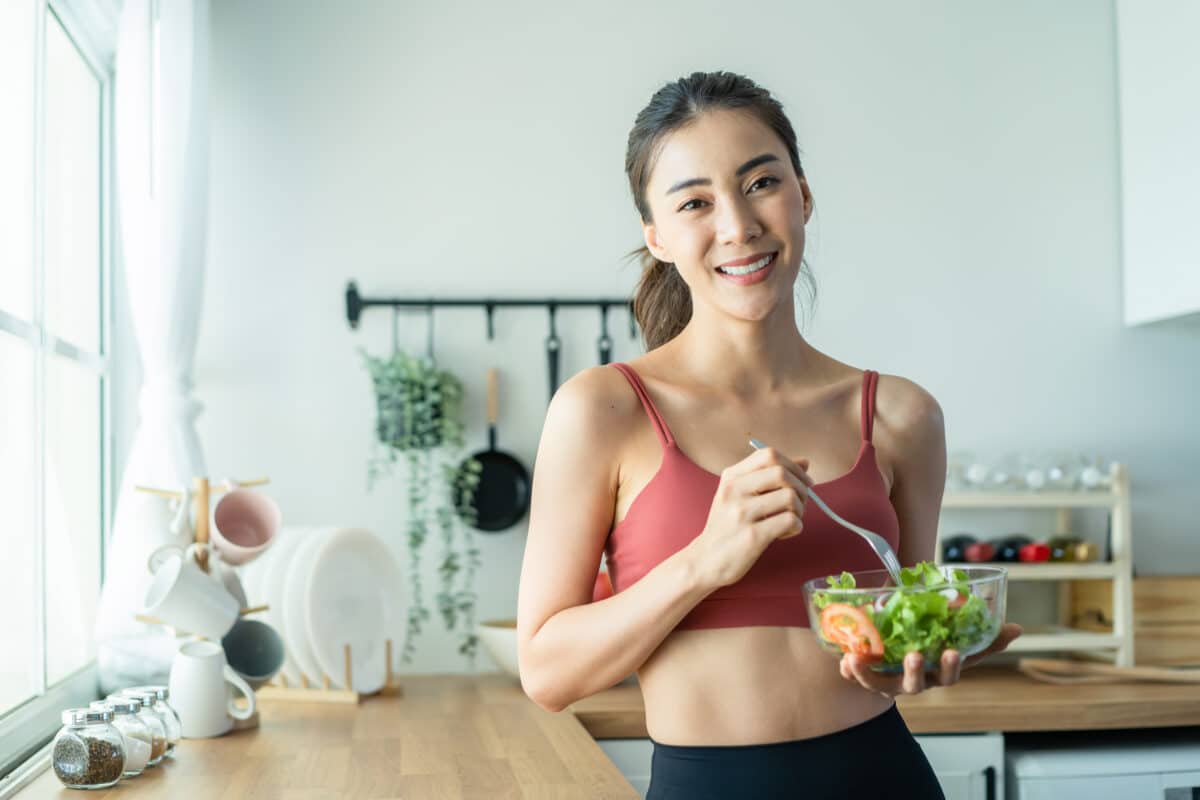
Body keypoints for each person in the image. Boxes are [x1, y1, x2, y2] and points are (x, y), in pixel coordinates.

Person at [516, 70, 1021, 799]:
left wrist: (918, 657)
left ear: (803, 196)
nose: (737, 225)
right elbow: (547, 673)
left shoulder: (902, 416)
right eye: (695, 202)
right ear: (657, 236)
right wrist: (705, 559)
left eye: (760, 183)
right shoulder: (604, 411)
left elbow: (902, 632)